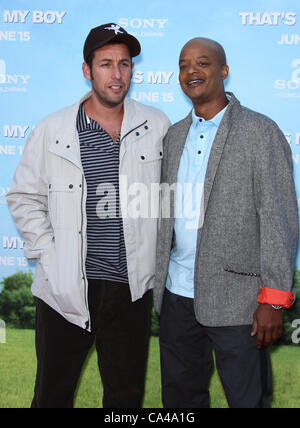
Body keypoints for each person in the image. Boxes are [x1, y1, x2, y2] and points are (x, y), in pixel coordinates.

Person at [6, 23, 170, 408]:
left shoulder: (156, 124)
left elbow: (168, 200)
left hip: (131, 290)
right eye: (106, 64)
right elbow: (23, 196)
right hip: (65, 289)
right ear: (87, 70)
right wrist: (49, 255)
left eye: (125, 65)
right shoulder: (52, 129)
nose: (117, 75)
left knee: (125, 399)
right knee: (51, 395)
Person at [154, 37, 298, 408]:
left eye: (202, 62)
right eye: (184, 65)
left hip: (240, 304)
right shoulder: (173, 137)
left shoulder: (259, 131)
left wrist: (274, 300)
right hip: (177, 295)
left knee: (248, 401)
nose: (192, 71)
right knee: (180, 402)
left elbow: (278, 218)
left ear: (224, 71)